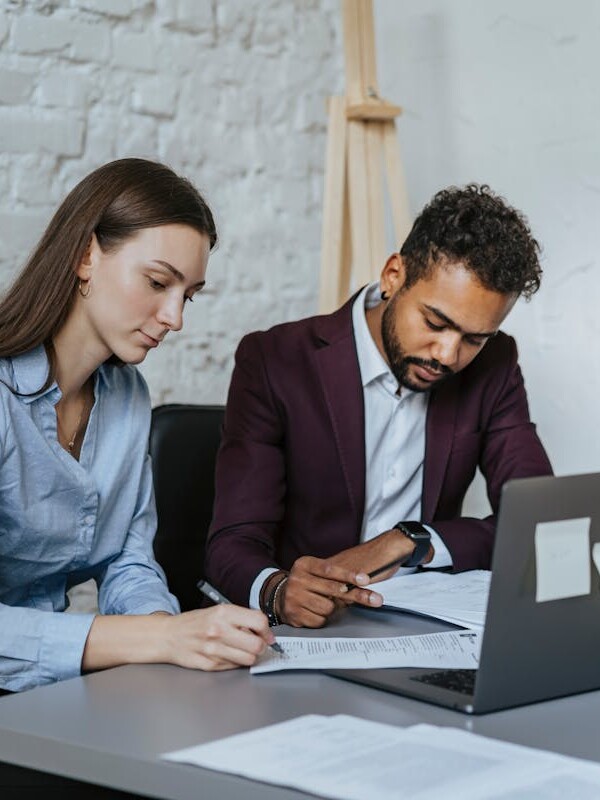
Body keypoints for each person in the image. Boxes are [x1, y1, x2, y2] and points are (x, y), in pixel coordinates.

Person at [205, 184, 553, 628]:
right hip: (305, 631)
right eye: (435, 322)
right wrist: (277, 590)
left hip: (424, 623)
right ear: (393, 275)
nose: (448, 355)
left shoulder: (496, 365)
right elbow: (231, 542)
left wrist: (412, 541)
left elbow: (537, 520)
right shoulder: (276, 360)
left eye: (474, 339)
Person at [0, 158, 274, 693]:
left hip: (46, 694)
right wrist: (159, 641)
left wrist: (176, 634)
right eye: (157, 282)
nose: (175, 317)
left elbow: (128, 557)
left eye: (187, 295)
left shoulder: (126, 396)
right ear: (85, 256)